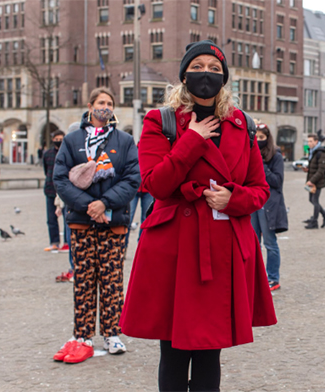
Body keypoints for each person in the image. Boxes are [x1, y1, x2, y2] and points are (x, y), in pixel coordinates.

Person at [119, 40, 277, 391]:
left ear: (224, 78)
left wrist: (232, 199)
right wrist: (191, 138)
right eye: (198, 66)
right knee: (173, 351)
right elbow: (154, 184)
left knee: (210, 353)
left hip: (220, 249)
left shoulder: (241, 124)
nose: (206, 73)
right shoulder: (161, 121)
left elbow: (259, 189)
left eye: (214, 68)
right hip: (174, 249)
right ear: (184, 74)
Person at [52, 87, 140, 364]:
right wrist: (89, 206)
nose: (106, 106)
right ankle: (83, 335)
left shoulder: (124, 141)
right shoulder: (72, 140)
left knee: (112, 281)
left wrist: (104, 203)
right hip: (81, 224)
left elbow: (132, 179)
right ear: (90, 106)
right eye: (101, 102)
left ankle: (113, 333)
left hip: (113, 223)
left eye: (110, 103)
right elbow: (60, 179)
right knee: (84, 282)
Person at [251, 123, 288, 291]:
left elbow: (277, 182)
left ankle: (273, 278)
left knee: (270, 243)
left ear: (268, 138)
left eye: (262, 138)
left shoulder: (276, 156)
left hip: (268, 204)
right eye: (256, 137)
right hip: (253, 202)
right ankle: (254, 276)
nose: (258, 141)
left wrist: (262, 165)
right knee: (252, 243)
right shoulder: (250, 153)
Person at [303, 134, 325, 229]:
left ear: (316, 141)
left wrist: (312, 181)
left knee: (315, 200)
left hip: (317, 181)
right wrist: (308, 169)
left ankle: (314, 222)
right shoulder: (312, 151)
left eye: (311, 141)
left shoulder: (321, 152)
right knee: (311, 199)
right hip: (312, 180)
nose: (309, 143)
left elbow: (321, 170)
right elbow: (314, 166)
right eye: (308, 141)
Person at [43, 129, 66, 252]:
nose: (58, 141)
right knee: (51, 218)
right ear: (53, 140)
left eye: (60, 139)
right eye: (56, 139)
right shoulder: (47, 154)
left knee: (67, 218)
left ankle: (67, 242)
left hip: (64, 190)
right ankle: (54, 242)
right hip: (50, 190)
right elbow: (46, 170)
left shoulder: (67, 152)